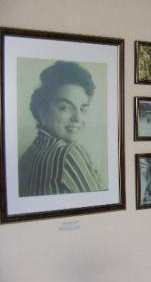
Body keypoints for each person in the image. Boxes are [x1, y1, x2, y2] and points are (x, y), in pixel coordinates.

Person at [19, 61, 103, 196]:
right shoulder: (68, 153)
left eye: (83, 108)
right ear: (41, 110)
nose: (78, 118)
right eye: (64, 107)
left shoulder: (27, 155)